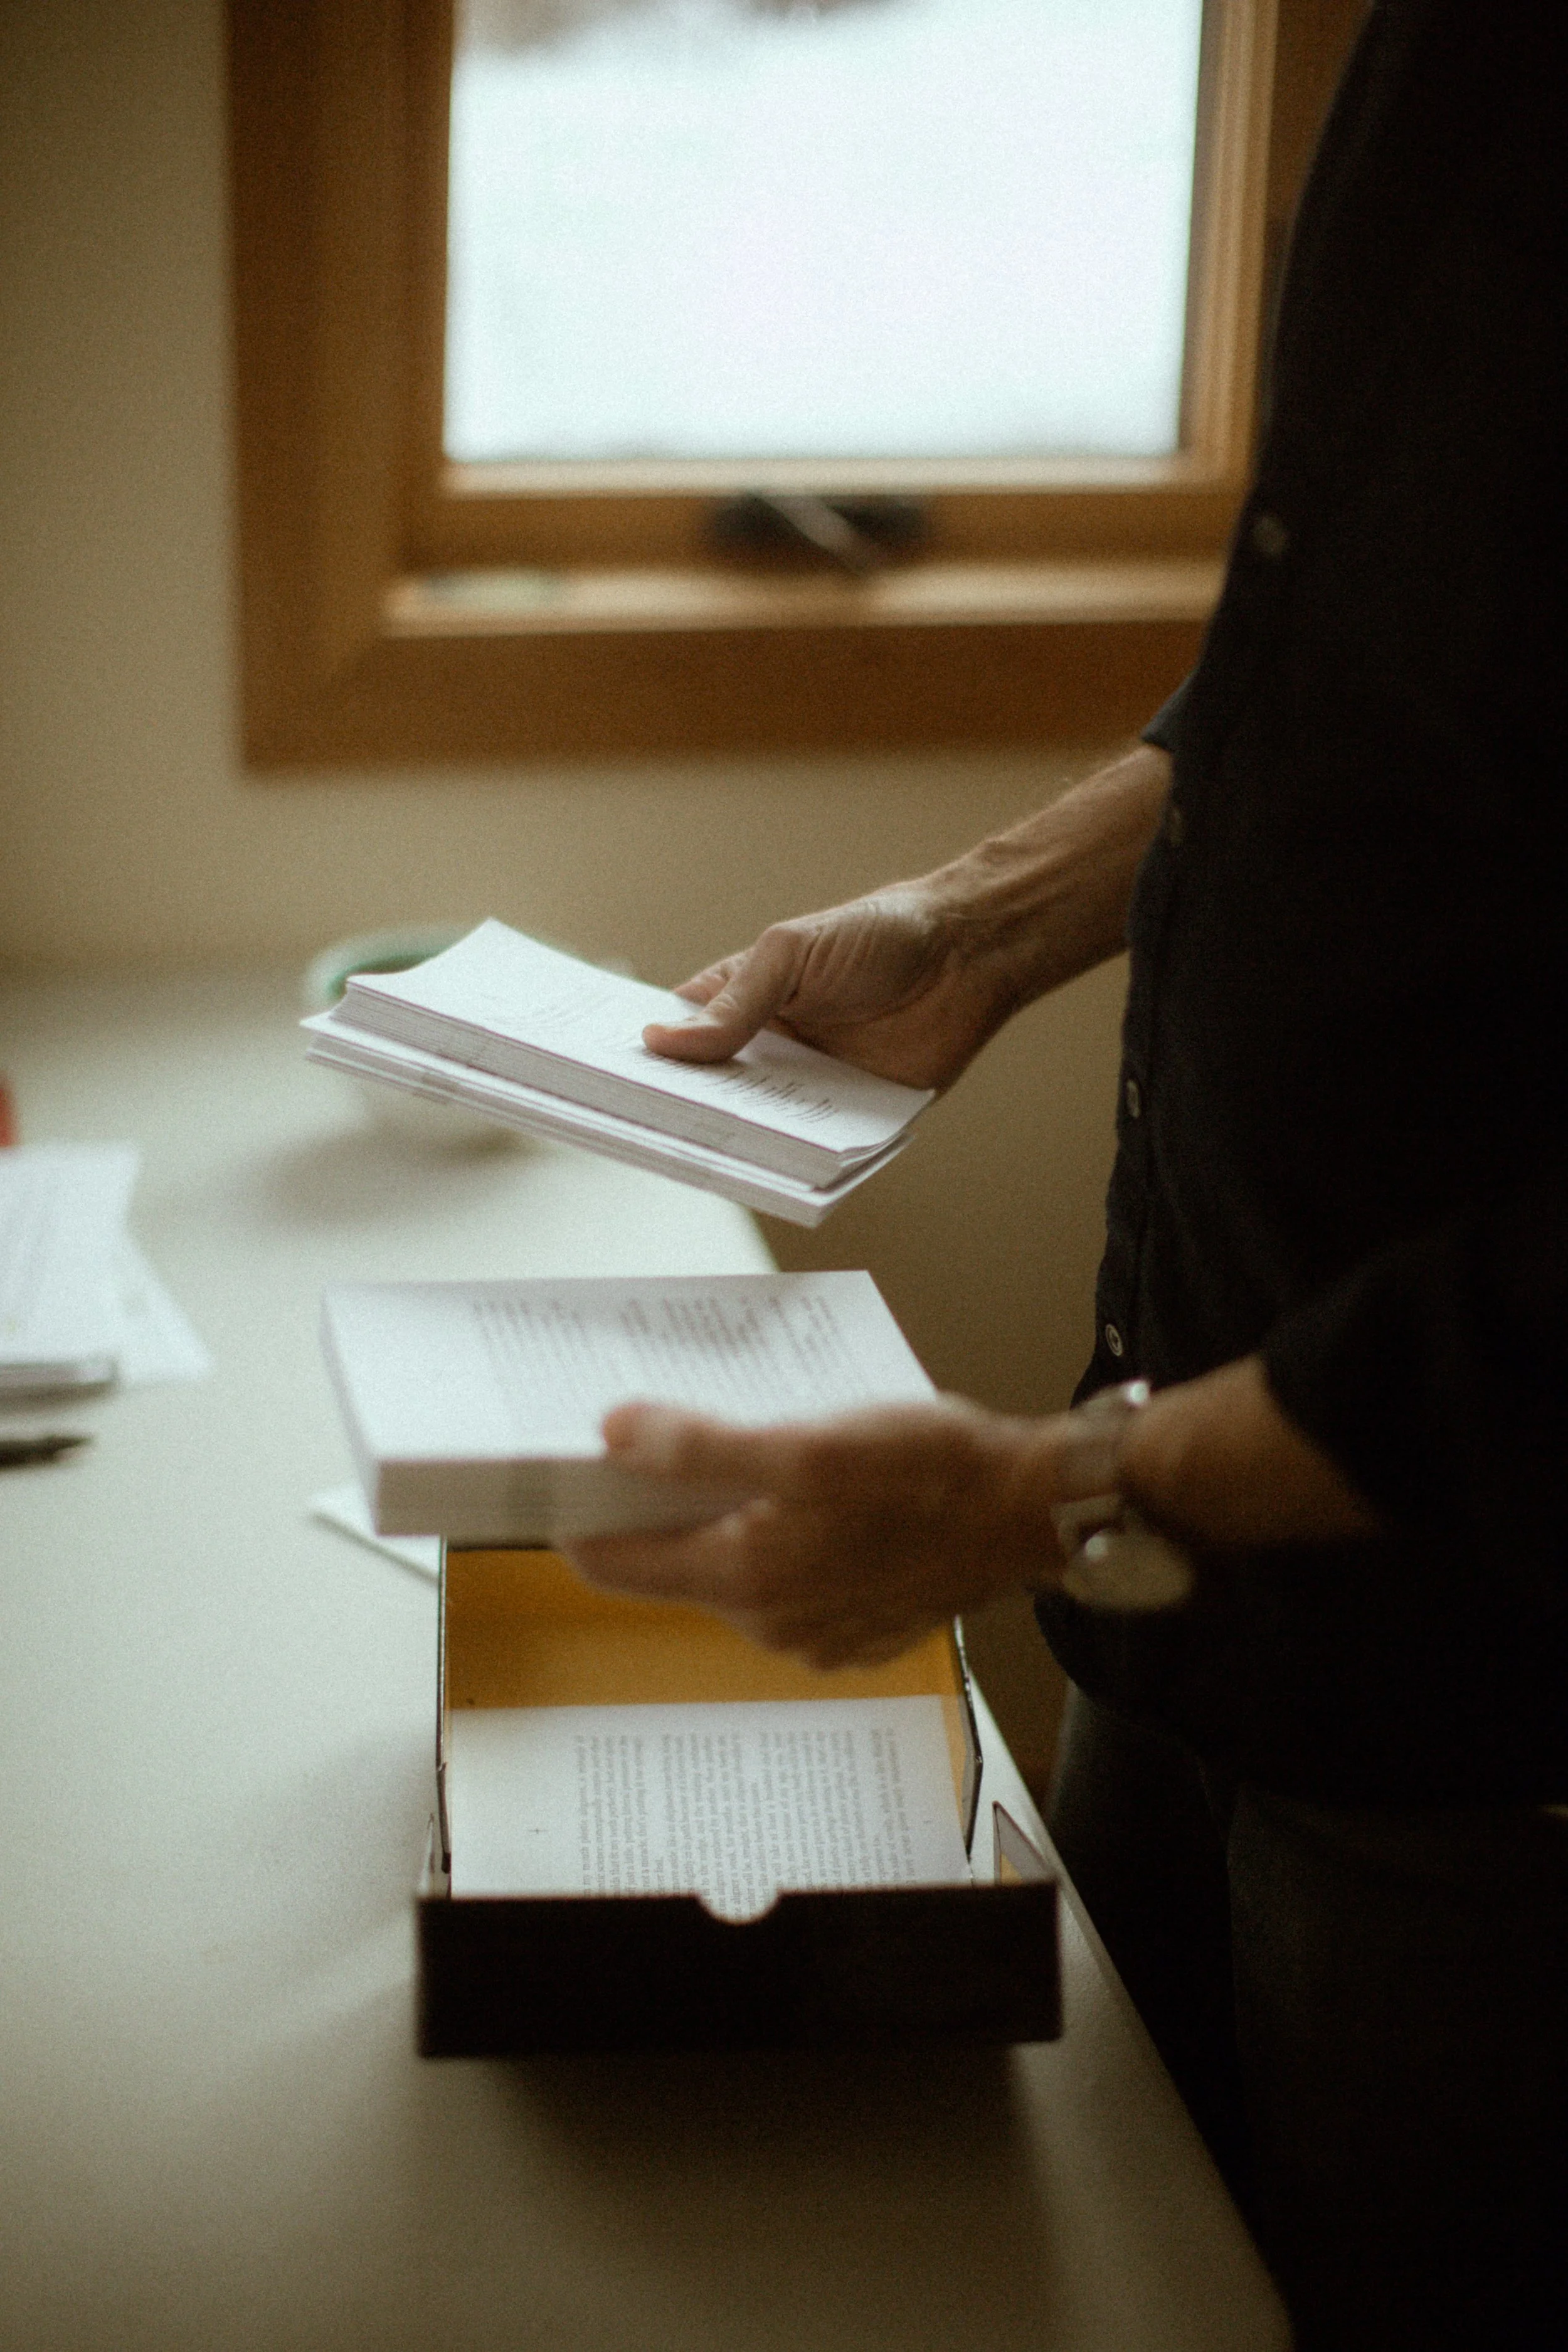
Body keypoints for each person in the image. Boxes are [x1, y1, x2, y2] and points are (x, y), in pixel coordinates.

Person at [566, 3, 1568, 2341]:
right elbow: (1354, 684)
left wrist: (1058, 1480)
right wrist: (975, 924)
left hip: (1484, 1719)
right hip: (1179, 1560)